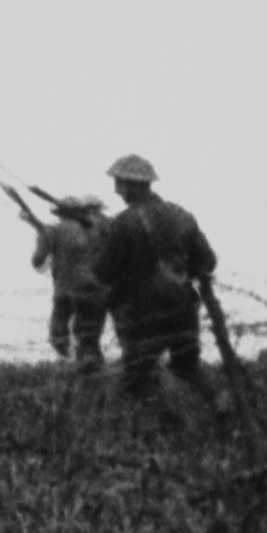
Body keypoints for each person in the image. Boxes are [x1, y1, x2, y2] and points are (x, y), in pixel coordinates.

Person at [92, 154, 218, 404]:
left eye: (119, 183)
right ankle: (221, 404)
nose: (116, 190)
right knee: (188, 368)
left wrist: (100, 243)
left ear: (133, 185)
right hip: (184, 310)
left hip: (143, 316)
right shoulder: (183, 215)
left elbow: (102, 272)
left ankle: (116, 423)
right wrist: (176, 273)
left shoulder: (124, 222)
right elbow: (208, 262)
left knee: (134, 379)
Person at [31, 195, 110, 370]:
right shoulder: (98, 229)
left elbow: (37, 261)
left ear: (59, 213)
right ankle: (93, 368)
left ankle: (74, 364)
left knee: (58, 333)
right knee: (90, 337)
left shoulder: (52, 231)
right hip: (95, 288)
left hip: (64, 290)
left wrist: (41, 236)